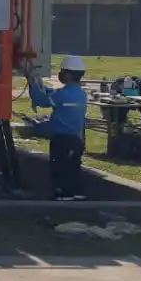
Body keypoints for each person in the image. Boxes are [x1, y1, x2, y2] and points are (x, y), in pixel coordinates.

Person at [26, 55, 88, 200]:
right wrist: (39, 83)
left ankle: (61, 199)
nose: (61, 74)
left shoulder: (63, 94)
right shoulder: (81, 94)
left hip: (62, 141)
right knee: (73, 171)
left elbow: (41, 100)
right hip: (76, 141)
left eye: (63, 71)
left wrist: (31, 80)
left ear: (69, 74)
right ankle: (77, 197)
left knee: (59, 171)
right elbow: (51, 93)